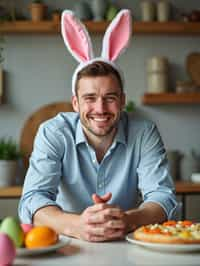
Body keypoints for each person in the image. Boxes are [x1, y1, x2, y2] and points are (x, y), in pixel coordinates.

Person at [18, 9, 179, 242]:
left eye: (110, 98)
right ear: (75, 103)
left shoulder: (144, 132)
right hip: (66, 244)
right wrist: (78, 225)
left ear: (123, 101)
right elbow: (32, 202)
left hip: (126, 245)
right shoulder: (52, 132)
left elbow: (163, 198)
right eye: (90, 98)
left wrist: (127, 219)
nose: (100, 109)